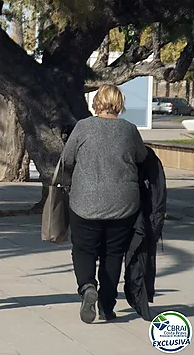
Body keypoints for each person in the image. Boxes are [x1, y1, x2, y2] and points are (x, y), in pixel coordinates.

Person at [61, 84, 147, 324]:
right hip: (123, 203)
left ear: (96, 102)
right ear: (119, 103)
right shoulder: (129, 130)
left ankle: (88, 286)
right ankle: (107, 307)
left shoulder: (83, 127)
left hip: (85, 202)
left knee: (84, 248)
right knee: (113, 253)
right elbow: (141, 157)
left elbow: (67, 158)